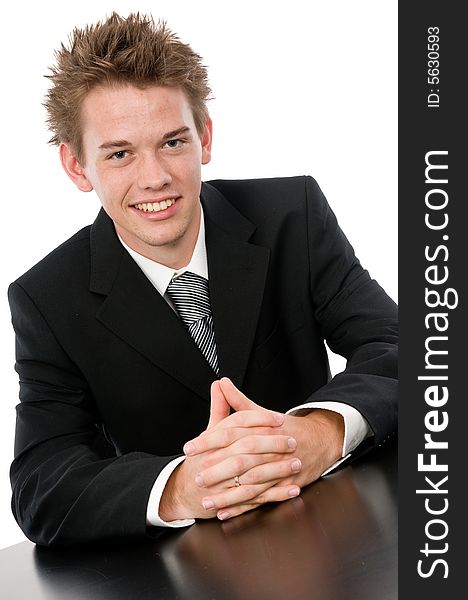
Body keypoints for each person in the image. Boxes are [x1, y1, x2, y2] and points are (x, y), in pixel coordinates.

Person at [8, 13, 397, 546]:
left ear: (205, 137)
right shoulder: (46, 296)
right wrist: (184, 486)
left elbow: (405, 346)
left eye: (172, 142)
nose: (155, 178)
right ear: (77, 167)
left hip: (340, 532)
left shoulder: (293, 215)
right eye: (119, 154)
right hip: (189, 565)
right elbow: (41, 483)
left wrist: (318, 432)